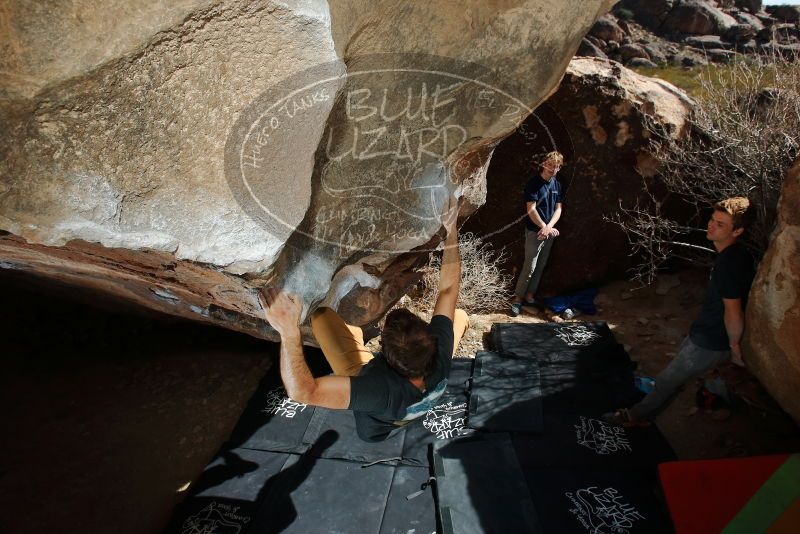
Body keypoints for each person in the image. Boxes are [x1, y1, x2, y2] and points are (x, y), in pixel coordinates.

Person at [258, 198, 469, 442]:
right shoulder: (440, 350)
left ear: (385, 357)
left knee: (321, 317)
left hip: (379, 429)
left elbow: (303, 392)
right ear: (432, 341)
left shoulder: (376, 390)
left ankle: (355, 339)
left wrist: (288, 332)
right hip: (422, 391)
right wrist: (451, 229)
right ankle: (356, 337)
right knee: (459, 316)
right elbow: (449, 290)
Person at [604, 197, 756, 426]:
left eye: (721, 224)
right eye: (713, 219)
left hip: (710, 340)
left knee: (667, 380)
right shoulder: (736, 255)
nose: (711, 225)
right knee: (684, 377)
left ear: (738, 231)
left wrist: (734, 347)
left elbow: (733, 311)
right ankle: (713, 399)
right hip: (705, 332)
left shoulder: (728, 264)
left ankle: (635, 417)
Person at [510, 151, 565, 316]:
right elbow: (531, 209)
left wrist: (549, 227)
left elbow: (559, 208)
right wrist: (543, 226)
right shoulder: (534, 183)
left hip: (548, 231)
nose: (552, 169)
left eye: (556, 166)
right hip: (535, 231)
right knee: (530, 266)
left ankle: (530, 296)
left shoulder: (557, 184)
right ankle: (517, 299)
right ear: (543, 164)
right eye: (549, 165)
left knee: (541, 266)